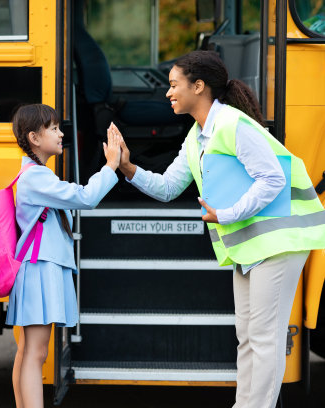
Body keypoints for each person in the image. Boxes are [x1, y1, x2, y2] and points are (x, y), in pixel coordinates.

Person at [113, 50, 325, 408]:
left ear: (199, 86)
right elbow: (168, 188)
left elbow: (272, 178)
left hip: (278, 240)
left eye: (174, 85)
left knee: (264, 337)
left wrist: (228, 213)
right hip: (249, 244)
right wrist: (127, 166)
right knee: (247, 338)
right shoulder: (197, 136)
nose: (168, 93)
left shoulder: (234, 125)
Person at [7, 104, 121, 408]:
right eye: (54, 128)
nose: (61, 134)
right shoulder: (36, 178)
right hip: (39, 266)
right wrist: (111, 166)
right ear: (34, 137)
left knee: (29, 350)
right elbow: (85, 197)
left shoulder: (37, 175)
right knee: (36, 352)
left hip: (39, 266)